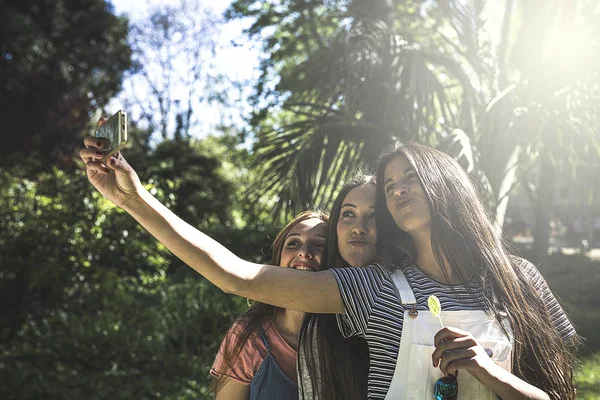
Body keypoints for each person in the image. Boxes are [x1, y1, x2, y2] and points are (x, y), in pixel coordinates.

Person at [80, 135, 578, 399]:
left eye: (410, 178)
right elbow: (236, 275)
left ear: (446, 182)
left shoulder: (520, 280)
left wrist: (487, 372)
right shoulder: (376, 291)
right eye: (389, 185)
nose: (398, 190)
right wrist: (137, 201)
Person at [210, 211, 328, 399]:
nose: (304, 252)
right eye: (293, 243)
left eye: (320, 245)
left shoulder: (353, 335)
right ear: (278, 260)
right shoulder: (248, 336)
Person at [298, 175, 376, 399]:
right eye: (349, 214)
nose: (359, 228)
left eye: (374, 216)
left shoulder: (408, 294)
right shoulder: (317, 321)